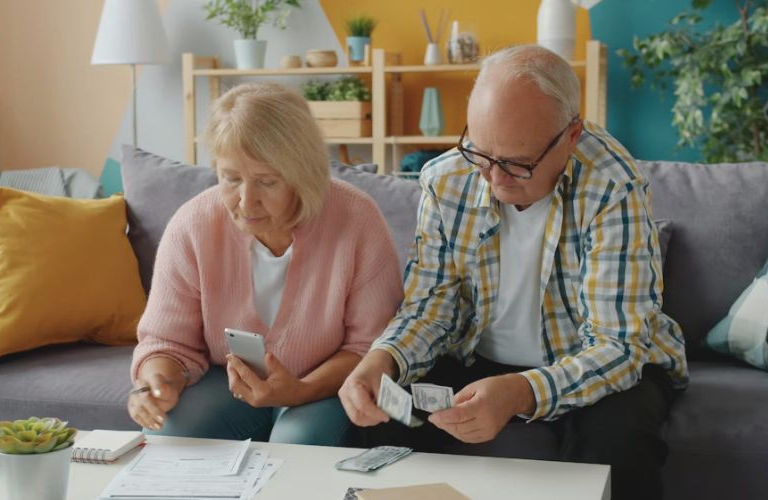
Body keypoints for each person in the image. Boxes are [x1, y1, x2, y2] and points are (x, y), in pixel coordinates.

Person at [339, 45, 688, 499]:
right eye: (481, 154)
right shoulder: (447, 179)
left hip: (602, 363)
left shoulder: (612, 185)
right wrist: (381, 360)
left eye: (517, 164)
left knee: (619, 445)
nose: (495, 179)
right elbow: (430, 310)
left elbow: (617, 346)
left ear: (572, 134)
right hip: (476, 358)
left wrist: (521, 392)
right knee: (383, 427)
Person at [128, 82, 403, 446]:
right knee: (167, 437)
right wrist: (156, 382)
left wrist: (300, 390)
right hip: (228, 384)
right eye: (231, 179)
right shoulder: (193, 223)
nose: (246, 201)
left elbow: (370, 347)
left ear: (302, 173)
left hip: (324, 386)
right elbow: (166, 341)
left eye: (267, 182)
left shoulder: (357, 219)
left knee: (294, 449)